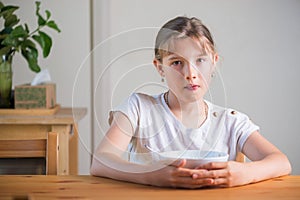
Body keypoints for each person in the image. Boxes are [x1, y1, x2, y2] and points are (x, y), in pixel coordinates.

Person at [90, 16, 291, 188]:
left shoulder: (230, 122)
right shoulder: (139, 108)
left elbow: (281, 162)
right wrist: (154, 175)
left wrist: (243, 173)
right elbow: (101, 162)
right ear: (160, 68)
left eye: (200, 61)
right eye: (177, 63)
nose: (191, 74)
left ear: (214, 62)